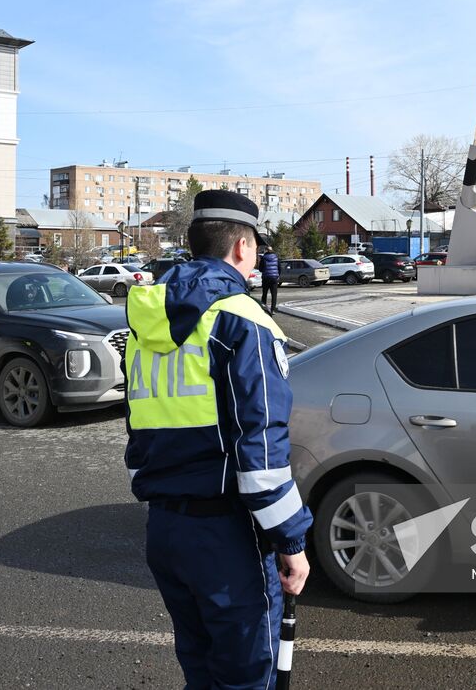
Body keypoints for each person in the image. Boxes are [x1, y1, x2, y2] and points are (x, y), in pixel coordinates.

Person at [124, 191, 311, 690]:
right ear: (243, 249)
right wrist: (291, 539)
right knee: (247, 676)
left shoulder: (146, 326)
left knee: (201, 669)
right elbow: (262, 449)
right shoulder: (242, 323)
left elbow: (137, 433)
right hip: (226, 537)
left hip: (165, 529)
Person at [259, 243, 281, 314]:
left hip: (266, 278)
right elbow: (279, 268)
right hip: (274, 278)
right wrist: (277, 275)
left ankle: (264, 309)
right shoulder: (276, 257)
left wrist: (264, 270)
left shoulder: (263, 258)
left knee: (264, 294)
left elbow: (260, 269)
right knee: (274, 294)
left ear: (266, 250)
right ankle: (273, 310)